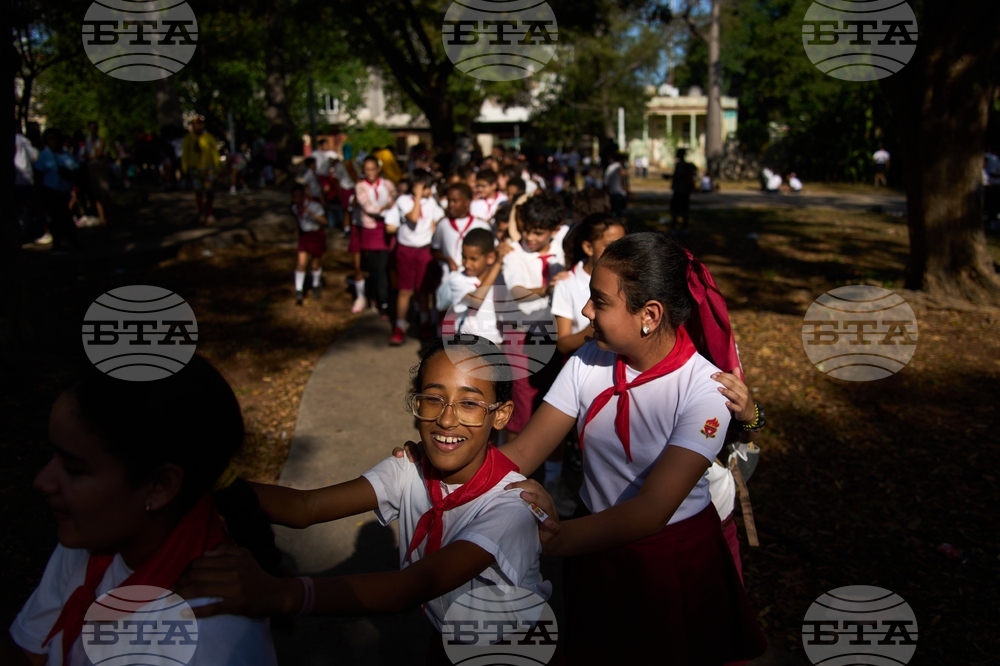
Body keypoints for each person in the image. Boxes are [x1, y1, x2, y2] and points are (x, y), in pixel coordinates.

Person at [172, 338, 551, 665]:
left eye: (469, 404)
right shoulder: (410, 468)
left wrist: (282, 595)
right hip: (450, 637)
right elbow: (305, 508)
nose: (447, 419)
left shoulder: (511, 506)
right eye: (433, 399)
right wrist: (214, 481)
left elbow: (413, 586)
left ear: (501, 415)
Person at [3, 355, 280, 666]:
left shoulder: (205, 639)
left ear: (160, 486)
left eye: (73, 469)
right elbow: (28, 653)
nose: (42, 481)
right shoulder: (93, 540)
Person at [500, 194, 567, 440]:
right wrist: (548, 289)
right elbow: (517, 292)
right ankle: (511, 461)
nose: (529, 237)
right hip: (521, 334)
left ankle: (550, 463)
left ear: (555, 230)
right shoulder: (513, 254)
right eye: (526, 230)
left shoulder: (564, 246)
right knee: (521, 407)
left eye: (538, 233)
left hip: (555, 334)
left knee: (554, 405)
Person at [552, 213, 626, 357]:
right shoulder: (566, 284)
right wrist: (592, 329)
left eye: (623, 245)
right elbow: (562, 344)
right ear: (588, 247)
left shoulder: (629, 277)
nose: (619, 252)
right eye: (610, 246)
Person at [386, 169, 444, 345]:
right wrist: (417, 197)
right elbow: (413, 217)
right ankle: (399, 326)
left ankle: (425, 322)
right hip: (406, 250)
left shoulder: (431, 202)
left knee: (423, 290)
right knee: (405, 290)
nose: (430, 191)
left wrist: (434, 227)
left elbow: (439, 218)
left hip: (424, 250)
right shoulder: (404, 201)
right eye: (426, 187)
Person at [440, 229, 512, 345]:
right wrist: (498, 264)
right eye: (464, 257)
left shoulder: (500, 279)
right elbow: (476, 300)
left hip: (495, 341)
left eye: (473, 259)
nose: (467, 264)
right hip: (468, 343)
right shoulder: (458, 279)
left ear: (490, 258)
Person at [349, 156, 398, 317]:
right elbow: (368, 207)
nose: (370, 172)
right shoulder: (360, 187)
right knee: (373, 267)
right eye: (367, 170)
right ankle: (374, 297)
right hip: (369, 230)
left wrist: (386, 209)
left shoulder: (387, 184)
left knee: (384, 267)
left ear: (378, 169)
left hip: (386, 228)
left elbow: (394, 199)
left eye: (373, 169)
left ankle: (384, 301)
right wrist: (384, 208)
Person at [431, 183, 491, 311]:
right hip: (450, 279)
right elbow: (434, 249)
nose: (450, 205)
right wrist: (448, 259)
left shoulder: (481, 225)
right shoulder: (443, 224)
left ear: (466, 202)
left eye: (455, 201)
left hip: (476, 280)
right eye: (449, 201)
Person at [34, 128, 82, 254]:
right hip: (51, 191)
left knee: (64, 218)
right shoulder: (45, 155)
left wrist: (70, 175)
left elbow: (76, 169)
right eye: (50, 139)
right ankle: (60, 244)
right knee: (59, 218)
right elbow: (38, 174)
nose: (53, 141)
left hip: (65, 191)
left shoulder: (65, 154)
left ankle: (69, 243)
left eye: (55, 138)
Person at [291, 184, 328, 305]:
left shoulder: (314, 206)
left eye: (300, 196)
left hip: (316, 235)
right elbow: (298, 222)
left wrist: (312, 214)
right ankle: (299, 289)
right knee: (301, 263)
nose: (298, 200)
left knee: (315, 263)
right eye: (295, 197)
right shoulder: (294, 208)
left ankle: (316, 284)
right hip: (304, 236)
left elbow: (324, 221)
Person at [181, 117, 221, 225]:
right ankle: (201, 213)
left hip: (208, 168)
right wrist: (185, 168)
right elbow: (185, 155)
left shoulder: (209, 137)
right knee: (198, 191)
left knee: (209, 191)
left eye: (198, 124)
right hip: (195, 169)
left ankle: (209, 213)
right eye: (194, 125)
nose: (196, 127)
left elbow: (214, 153)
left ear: (202, 126)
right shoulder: (188, 138)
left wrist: (218, 167)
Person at [670, 148, 696, 233]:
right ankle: (685, 229)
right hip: (685, 191)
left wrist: (673, 183)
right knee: (685, 211)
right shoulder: (688, 165)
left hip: (679, 190)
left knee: (675, 211)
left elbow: (677, 177)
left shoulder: (679, 165)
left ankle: (674, 229)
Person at [603, 153, 629, 217]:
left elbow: (606, 183)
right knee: (620, 214)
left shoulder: (609, 168)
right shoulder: (621, 169)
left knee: (612, 214)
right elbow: (624, 183)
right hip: (620, 194)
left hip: (611, 193)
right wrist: (629, 192)